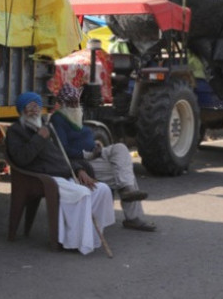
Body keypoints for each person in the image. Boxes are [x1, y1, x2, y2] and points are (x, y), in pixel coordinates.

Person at [5, 91, 115, 255]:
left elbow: (64, 155)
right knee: (83, 193)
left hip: (65, 172)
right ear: (22, 111)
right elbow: (21, 159)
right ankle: (72, 241)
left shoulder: (47, 128)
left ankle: (89, 236)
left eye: (37, 106)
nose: (35, 110)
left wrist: (80, 169)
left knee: (102, 190)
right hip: (43, 177)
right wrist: (39, 139)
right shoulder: (16, 132)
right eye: (30, 107)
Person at [49, 82, 157, 232]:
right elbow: (63, 150)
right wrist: (87, 154)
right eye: (70, 102)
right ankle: (132, 216)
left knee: (121, 149)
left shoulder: (75, 115)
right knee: (124, 172)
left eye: (76, 101)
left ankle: (126, 190)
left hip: (95, 153)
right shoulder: (58, 119)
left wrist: (95, 145)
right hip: (83, 161)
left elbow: (83, 137)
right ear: (61, 103)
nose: (74, 104)